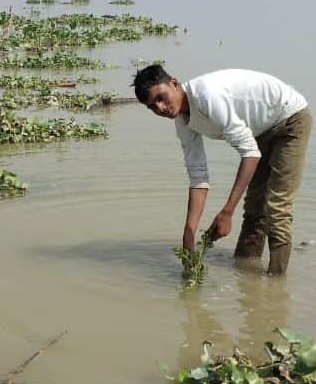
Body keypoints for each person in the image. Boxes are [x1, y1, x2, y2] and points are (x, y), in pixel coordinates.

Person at [133, 65, 311, 274]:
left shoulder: (208, 97)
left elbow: (250, 153)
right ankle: (245, 275)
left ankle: (276, 284)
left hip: (290, 118)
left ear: (174, 83)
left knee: (277, 207)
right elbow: (198, 176)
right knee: (254, 207)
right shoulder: (182, 122)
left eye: (161, 98)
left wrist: (227, 212)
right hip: (260, 130)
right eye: (152, 106)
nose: (161, 108)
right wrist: (188, 235)